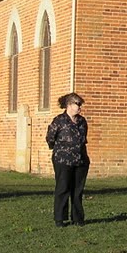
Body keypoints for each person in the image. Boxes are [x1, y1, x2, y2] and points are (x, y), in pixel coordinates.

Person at [46, 92, 89, 227]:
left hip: (80, 161)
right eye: (78, 104)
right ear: (69, 105)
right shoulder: (59, 121)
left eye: (80, 104)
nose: (80, 107)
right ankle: (60, 219)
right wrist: (61, 150)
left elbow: (83, 140)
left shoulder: (82, 122)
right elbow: (50, 138)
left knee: (77, 190)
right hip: (63, 161)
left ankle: (77, 218)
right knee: (63, 188)